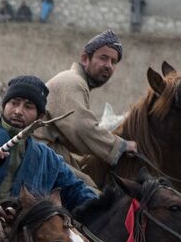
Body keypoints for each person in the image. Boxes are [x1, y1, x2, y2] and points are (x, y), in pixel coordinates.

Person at [0, 75, 94, 210]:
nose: (18, 111)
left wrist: (105, 206)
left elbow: (75, 190)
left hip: (18, 236)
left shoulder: (48, 159)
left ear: (39, 117)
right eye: (14, 103)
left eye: (28, 106)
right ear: (3, 107)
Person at [35, 31, 138, 175]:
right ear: (85, 59)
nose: (108, 65)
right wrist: (120, 146)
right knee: (91, 193)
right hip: (39, 152)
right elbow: (81, 127)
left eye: (113, 62)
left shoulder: (78, 83)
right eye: (103, 58)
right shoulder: (72, 81)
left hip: (48, 151)